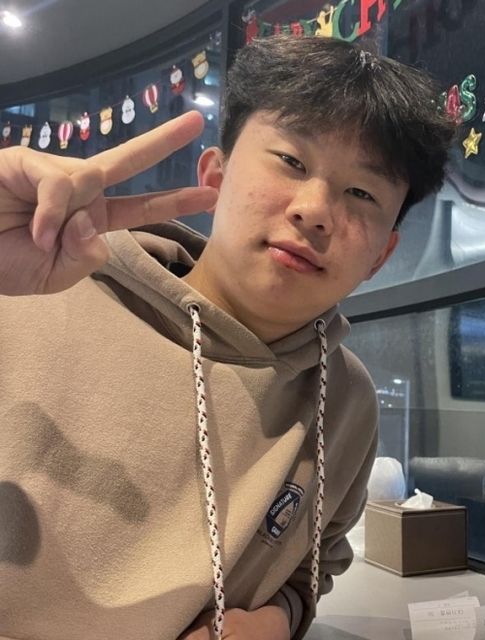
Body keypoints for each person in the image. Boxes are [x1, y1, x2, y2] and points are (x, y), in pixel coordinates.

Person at [0, 35, 454, 640]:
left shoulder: (347, 401)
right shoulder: (32, 293)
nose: (315, 209)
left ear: (382, 255)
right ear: (214, 175)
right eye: (291, 161)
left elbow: (313, 567)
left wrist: (278, 618)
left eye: (362, 193)